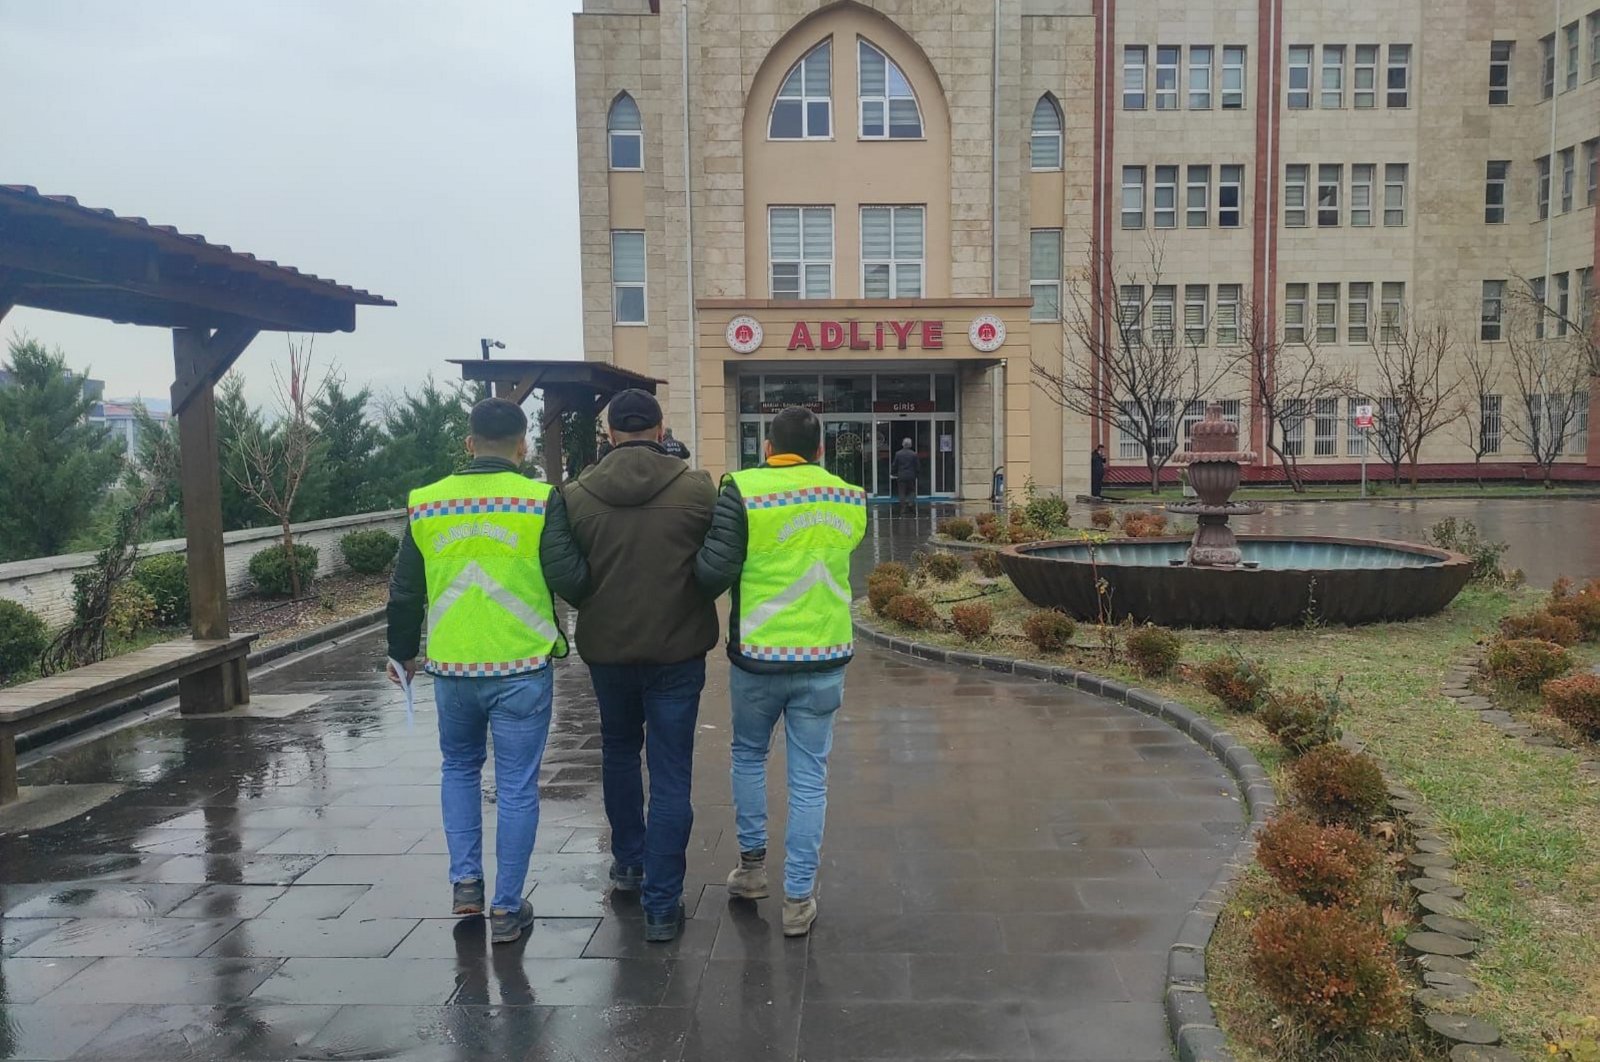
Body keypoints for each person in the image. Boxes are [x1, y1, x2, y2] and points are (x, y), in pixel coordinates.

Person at [385, 397, 566, 945]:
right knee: (516, 787)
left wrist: (402, 655)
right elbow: (569, 574)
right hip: (521, 666)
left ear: (468, 444)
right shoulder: (538, 500)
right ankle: (507, 909)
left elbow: (405, 590)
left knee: (459, 769)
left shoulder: (427, 503)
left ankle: (466, 884)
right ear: (522, 444)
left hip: (454, 668)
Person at [542, 389, 718, 943]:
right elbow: (718, 560)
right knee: (671, 772)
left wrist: (595, 599)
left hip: (608, 652)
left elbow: (563, 573)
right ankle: (663, 906)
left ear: (611, 433)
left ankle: (628, 864)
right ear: (661, 428)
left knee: (618, 750)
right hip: (678, 649)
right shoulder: (696, 488)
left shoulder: (574, 496)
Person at [695, 406, 868, 937]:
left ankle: (751, 872)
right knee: (810, 776)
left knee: (748, 755)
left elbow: (714, 570)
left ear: (768, 448)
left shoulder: (743, 490)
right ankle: (798, 899)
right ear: (820, 451)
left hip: (760, 658)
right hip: (824, 656)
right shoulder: (849, 496)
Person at [891, 437, 918, 515]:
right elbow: (917, 466)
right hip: (911, 476)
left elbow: (894, 465)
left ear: (903, 444)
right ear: (910, 445)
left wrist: (892, 473)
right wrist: (916, 474)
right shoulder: (914, 454)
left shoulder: (898, 454)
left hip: (901, 475)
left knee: (901, 492)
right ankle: (911, 503)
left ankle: (903, 508)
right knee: (912, 490)